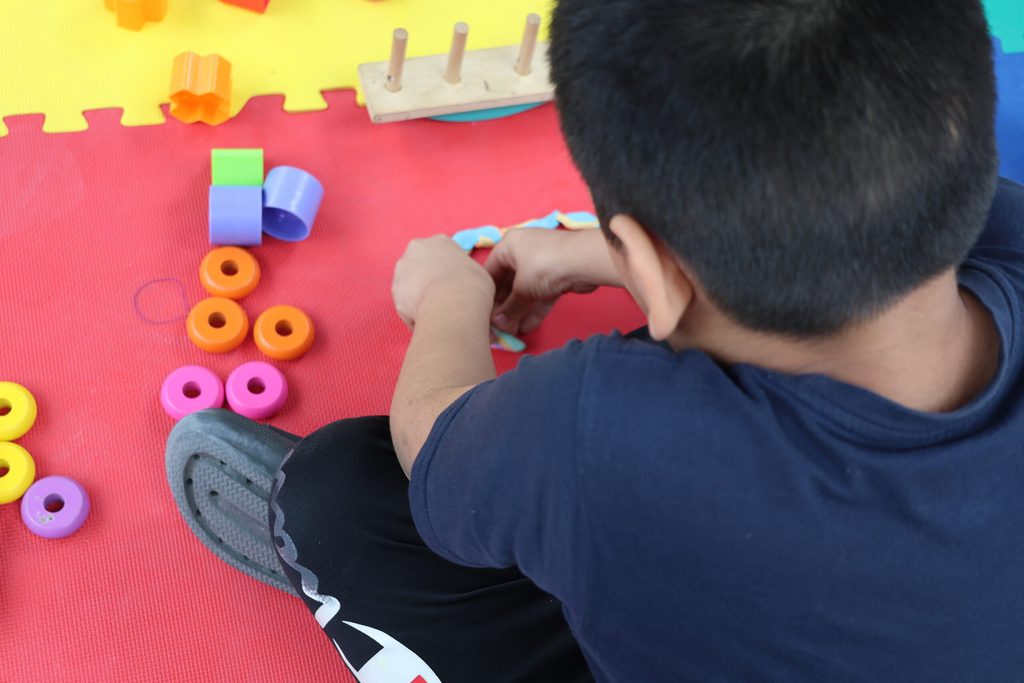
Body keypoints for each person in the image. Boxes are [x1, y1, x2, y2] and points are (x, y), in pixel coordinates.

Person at [167, 0, 1024, 680]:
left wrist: (450, 301)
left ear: (652, 265)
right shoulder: (1003, 217)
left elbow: (431, 432)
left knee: (337, 492)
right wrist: (609, 253)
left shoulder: (598, 425)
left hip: (652, 581)